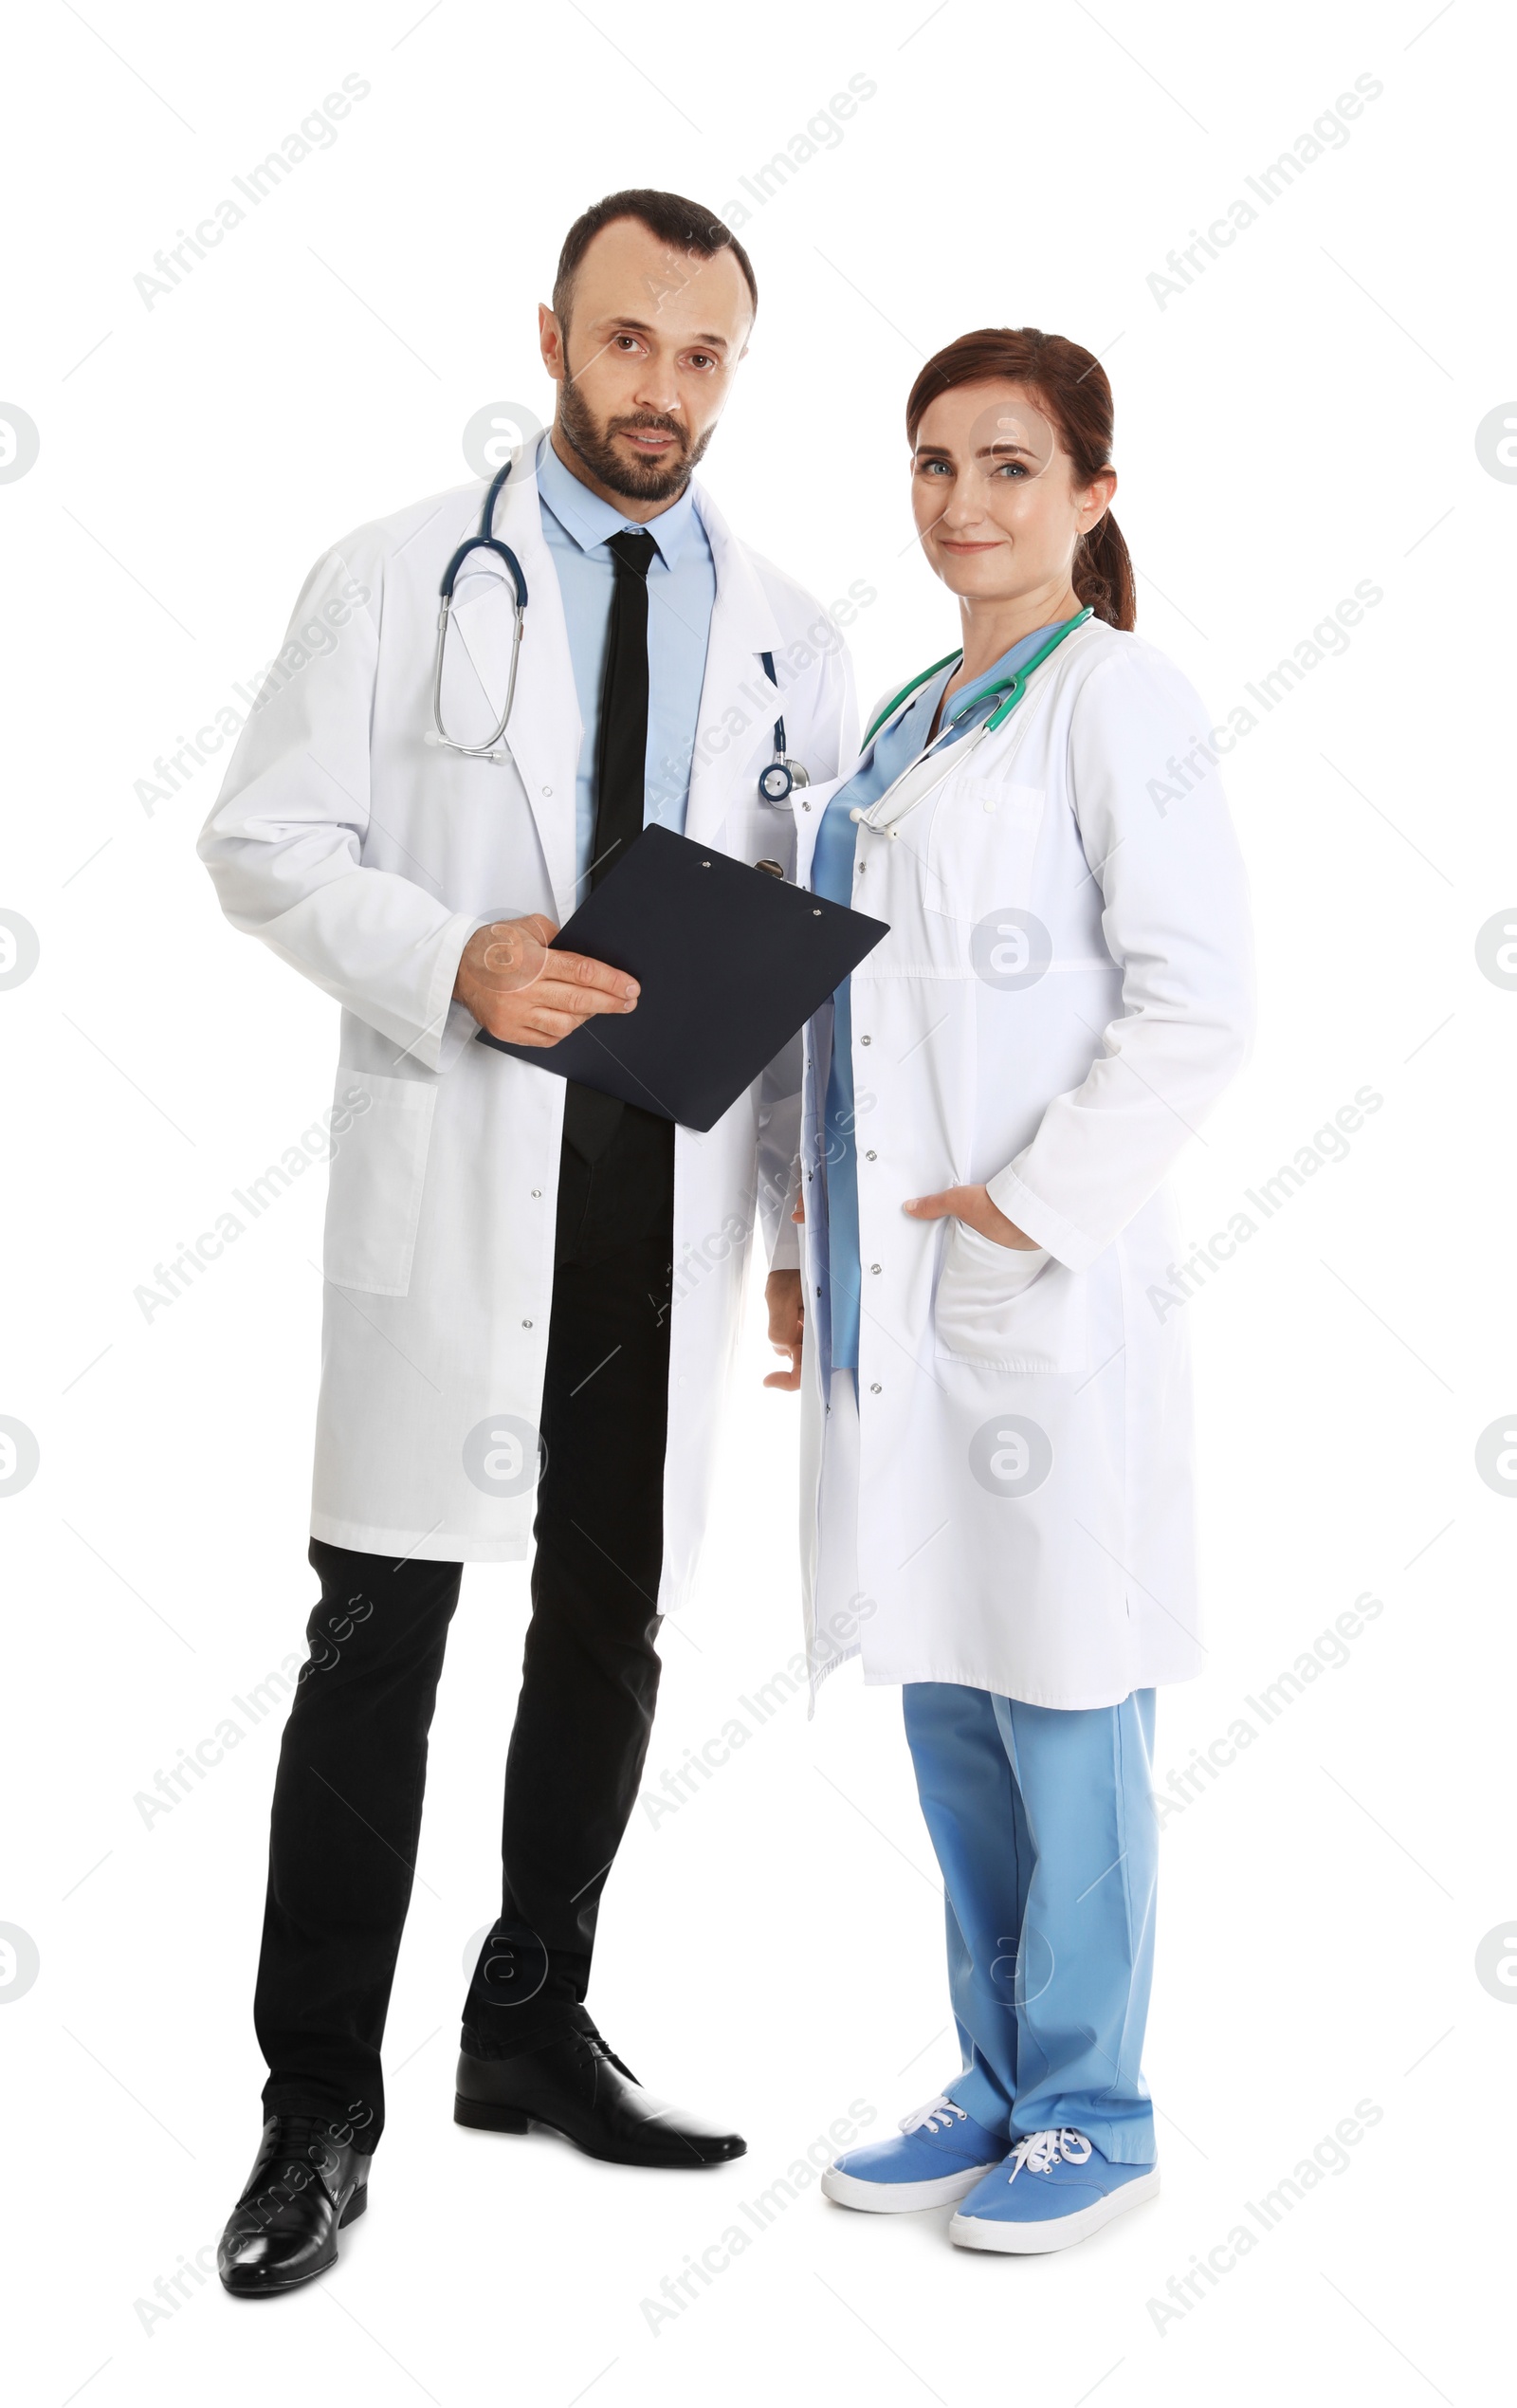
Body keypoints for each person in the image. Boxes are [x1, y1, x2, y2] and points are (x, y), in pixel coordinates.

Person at [199, 188, 855, 2295]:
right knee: (379, 1636)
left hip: (659, 1189)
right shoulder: (401, 575)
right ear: (554, 334)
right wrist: (448, 956)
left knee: (610, 1623)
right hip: (464, 1159)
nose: (661, 389)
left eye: (702, 356)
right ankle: (317, 2105)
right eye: (627, 342)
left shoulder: (791, 634)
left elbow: (801, 961)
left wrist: (791, 1234)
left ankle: (525, 2018)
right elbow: (260, 840)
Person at [765, 327, 1253, 2253]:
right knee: (951, 1694)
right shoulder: (911, 718)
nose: (961, 505)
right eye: (932, 467)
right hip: (902, 1305)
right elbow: (837, 1021)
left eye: (1007, 468)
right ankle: (989, 2076)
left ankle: (1094, 2105)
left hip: (1031, 1294)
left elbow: (1198, 999)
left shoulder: (1114, 700)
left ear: (1089, 497)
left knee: (1068, 1694)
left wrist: (1026, 1208)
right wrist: (814, 1261)